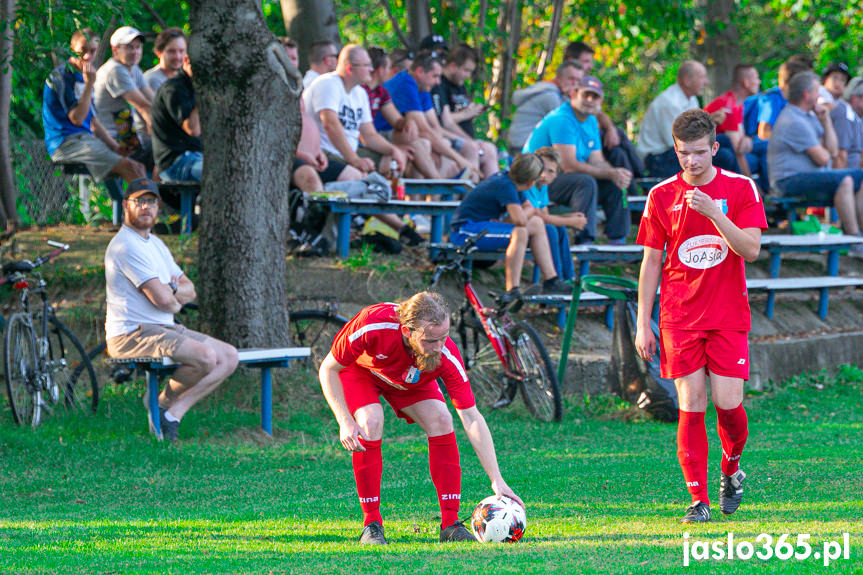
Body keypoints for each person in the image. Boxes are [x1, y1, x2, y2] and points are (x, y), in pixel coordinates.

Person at [634, 109, 767, 523]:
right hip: (678, 317)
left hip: (728, 315)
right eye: (682, 154)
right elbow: (651, 262)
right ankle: (698, 499)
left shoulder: (741, 188)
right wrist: (643, 321)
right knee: (691, 405)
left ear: (714, 148)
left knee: (728, 406)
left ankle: (731, 468)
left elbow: (751, 249)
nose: (691, 162)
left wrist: (714, 212)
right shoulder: (660, 195)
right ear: (675, 151)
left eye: (698, 153)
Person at [319, 291, 523, 544]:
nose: (439, 347)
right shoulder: (372, 324)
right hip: (361, 373)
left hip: (409, 380)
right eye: (430, 340)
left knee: (442, 419)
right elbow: (328, 369)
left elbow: (471, 417)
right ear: (407, 332)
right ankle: (371, 525)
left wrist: (497, 480)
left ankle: (450, 525)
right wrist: (344, 421)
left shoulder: (444, 354)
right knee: (371, 421)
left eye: (444, 337)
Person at [104, 178, 239, 441]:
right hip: (132, 333)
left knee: (229, 357)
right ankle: (156, 403)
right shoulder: (125, 245)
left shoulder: (155, 244)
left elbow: (188, 290)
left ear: (158, 207)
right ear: (125, 205)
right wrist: (173, 296)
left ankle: (170, 412)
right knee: (205, 357)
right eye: (139, 201)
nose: (146, 207)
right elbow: (162, 301)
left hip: (165, 327)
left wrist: (173, 293)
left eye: (151, 202)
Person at [303, 44, 420, 245]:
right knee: (362, 180)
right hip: (318, 155)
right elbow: (330, 124)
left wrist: (393, 150)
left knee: (374, 183)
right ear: (350, 68)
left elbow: (370, 135)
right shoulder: (328, 84)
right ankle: (340, 232)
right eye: (366, 65)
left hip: (343, 157)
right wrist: (354, 159)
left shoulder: (360, 94)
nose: (371, 70)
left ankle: (402, 230)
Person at [525, 75, 630, 244]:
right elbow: (568, 166)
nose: (589, 100)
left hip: (558, 179)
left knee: (615, 183)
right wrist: (610, 173)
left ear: (600, 100)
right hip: (536, 181)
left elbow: (597, 160)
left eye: (594, 96)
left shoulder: (590, 121)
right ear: (574, 93)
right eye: (585, 94)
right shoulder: (562, 119)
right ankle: (584, 241)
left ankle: (618, 241)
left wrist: (615, 173)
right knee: (584, 182)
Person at [767, 71, 863, 251]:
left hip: (808, 176)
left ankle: (857, 237)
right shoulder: (793, 120)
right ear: (806, 94)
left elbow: (832, 150)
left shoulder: (809, 116)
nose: (820, 96)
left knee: (854, 179)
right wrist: (825, 148)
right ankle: (854, 241)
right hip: (787, 181)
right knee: (846, 180)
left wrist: (826, 120)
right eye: (817, 91)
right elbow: (823, 158)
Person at [450, 153, 570, 295]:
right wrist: (525, 213)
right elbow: (520, 219)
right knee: (520, 232)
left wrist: (525, 213)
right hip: (465, 230)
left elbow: (528, 209)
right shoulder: (505, 185)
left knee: (537, 223)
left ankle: (552, 281)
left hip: (483, 227)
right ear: (531, 183)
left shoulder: (511, 180)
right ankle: (512, 289)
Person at [43, 28, 145, 184]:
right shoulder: (62, 76)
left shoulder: (87, 76)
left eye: (93, 51)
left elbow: (93, 122)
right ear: (71, 49)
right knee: (129, 167)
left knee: (138, 167)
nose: (87, 56)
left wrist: (115, 146)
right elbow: (77, 119)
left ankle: (141, 206)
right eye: (82, 51)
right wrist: (90, 83)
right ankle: (140, 206)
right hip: (65, 143)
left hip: (86, 139)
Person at [378, 50, 475, 181]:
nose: (438, 82)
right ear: (419, 71)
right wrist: (460, 160)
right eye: (435, 76)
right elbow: (424, 130)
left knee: (442, 143)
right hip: (382, 132)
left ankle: (439, 195)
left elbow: (434, 127)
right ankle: (438, 184)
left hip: (399, 133)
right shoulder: (406, 84)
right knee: (422, 142)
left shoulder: (423, 87)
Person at [638, 61, 739, 178]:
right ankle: (733, 191)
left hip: (678, 150)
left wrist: (710, 121)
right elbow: (677, 141)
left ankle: (739, 190)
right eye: (701, 77)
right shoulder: (669, 103)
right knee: (724, 156)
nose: (706, 82)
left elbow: (694, 130)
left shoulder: (691, 99)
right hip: (659, 158)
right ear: (687, 81)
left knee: (725, 140)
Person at [363, 47, 439, 179]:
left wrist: (407, 122)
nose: (391, 72)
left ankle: (432, 187)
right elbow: (365, 135)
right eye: (389, 68)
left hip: (376, 138)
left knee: (415, 140)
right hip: (363, 142)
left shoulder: (381, 91)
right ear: (381, 71)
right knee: (400, 154)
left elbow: (396, 120)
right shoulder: (360, 91)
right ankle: (439, 182)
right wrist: (395, 149)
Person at [432, 44, 499, 178]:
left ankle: (495, 191)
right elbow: (445, 121)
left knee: (490, 149)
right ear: (452, 66)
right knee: (472, 148)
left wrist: (472, 111)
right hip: (450, 140)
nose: (468, 76)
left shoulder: (460, 85)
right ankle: (469, 192)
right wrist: (466, 114)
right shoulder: (440, 85)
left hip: (466, 138)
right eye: (466, 70)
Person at [522, 147, 587, 282]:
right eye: (542, 169)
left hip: (534, 227)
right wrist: (571, 221)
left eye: (550, 171)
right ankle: (555, 280)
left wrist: (570, 217)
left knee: (560, 230)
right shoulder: (529, 184)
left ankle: (568, 278)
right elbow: (540, 218)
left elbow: (544, 214)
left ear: (556, 174)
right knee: (551, 230)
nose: (544, 175)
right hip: (521, 228)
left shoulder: (542, 187)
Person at [94, 26, 156, 163]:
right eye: (129, 47)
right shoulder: (115, 70)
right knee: (162, 155)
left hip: (126, 137)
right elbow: (143, 105)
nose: (135, 51)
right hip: (109, 141)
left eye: (138, 47)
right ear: (115, 50)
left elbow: (154, 101)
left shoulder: (133, 69)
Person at [508, 60, 583, 153]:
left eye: (578, 80)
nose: (574, 84)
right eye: (571, 79)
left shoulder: (552, 91)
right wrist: (574, 96)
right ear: (558, 77)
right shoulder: (550, 96)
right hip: (524, 149)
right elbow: (570, 124)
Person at [150, 53, 201, 182]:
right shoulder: (173, 88)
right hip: (176, 162)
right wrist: (204, 92)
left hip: (199, 156)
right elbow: (193, 129)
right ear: (186, 61)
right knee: (222, 174)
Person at [704, 64, 761, 178]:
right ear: (746, 82)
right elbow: (738, 151)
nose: (759, 82)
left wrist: (747, 138)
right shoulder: (728, 106)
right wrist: (752, 185)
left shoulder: (736, 103)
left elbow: (741, 139)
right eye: (756, 78)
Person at [831, 76, 863, 170]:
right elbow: (840, 155)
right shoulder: (844, 114)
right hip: (848, 176)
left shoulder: (857, 117)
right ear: (854, 98)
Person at [143, 27, 187, 93]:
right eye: (171, 51)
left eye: (181, 51)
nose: (177, 56)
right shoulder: (153, 80)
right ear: (159, 53)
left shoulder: (182, 79)